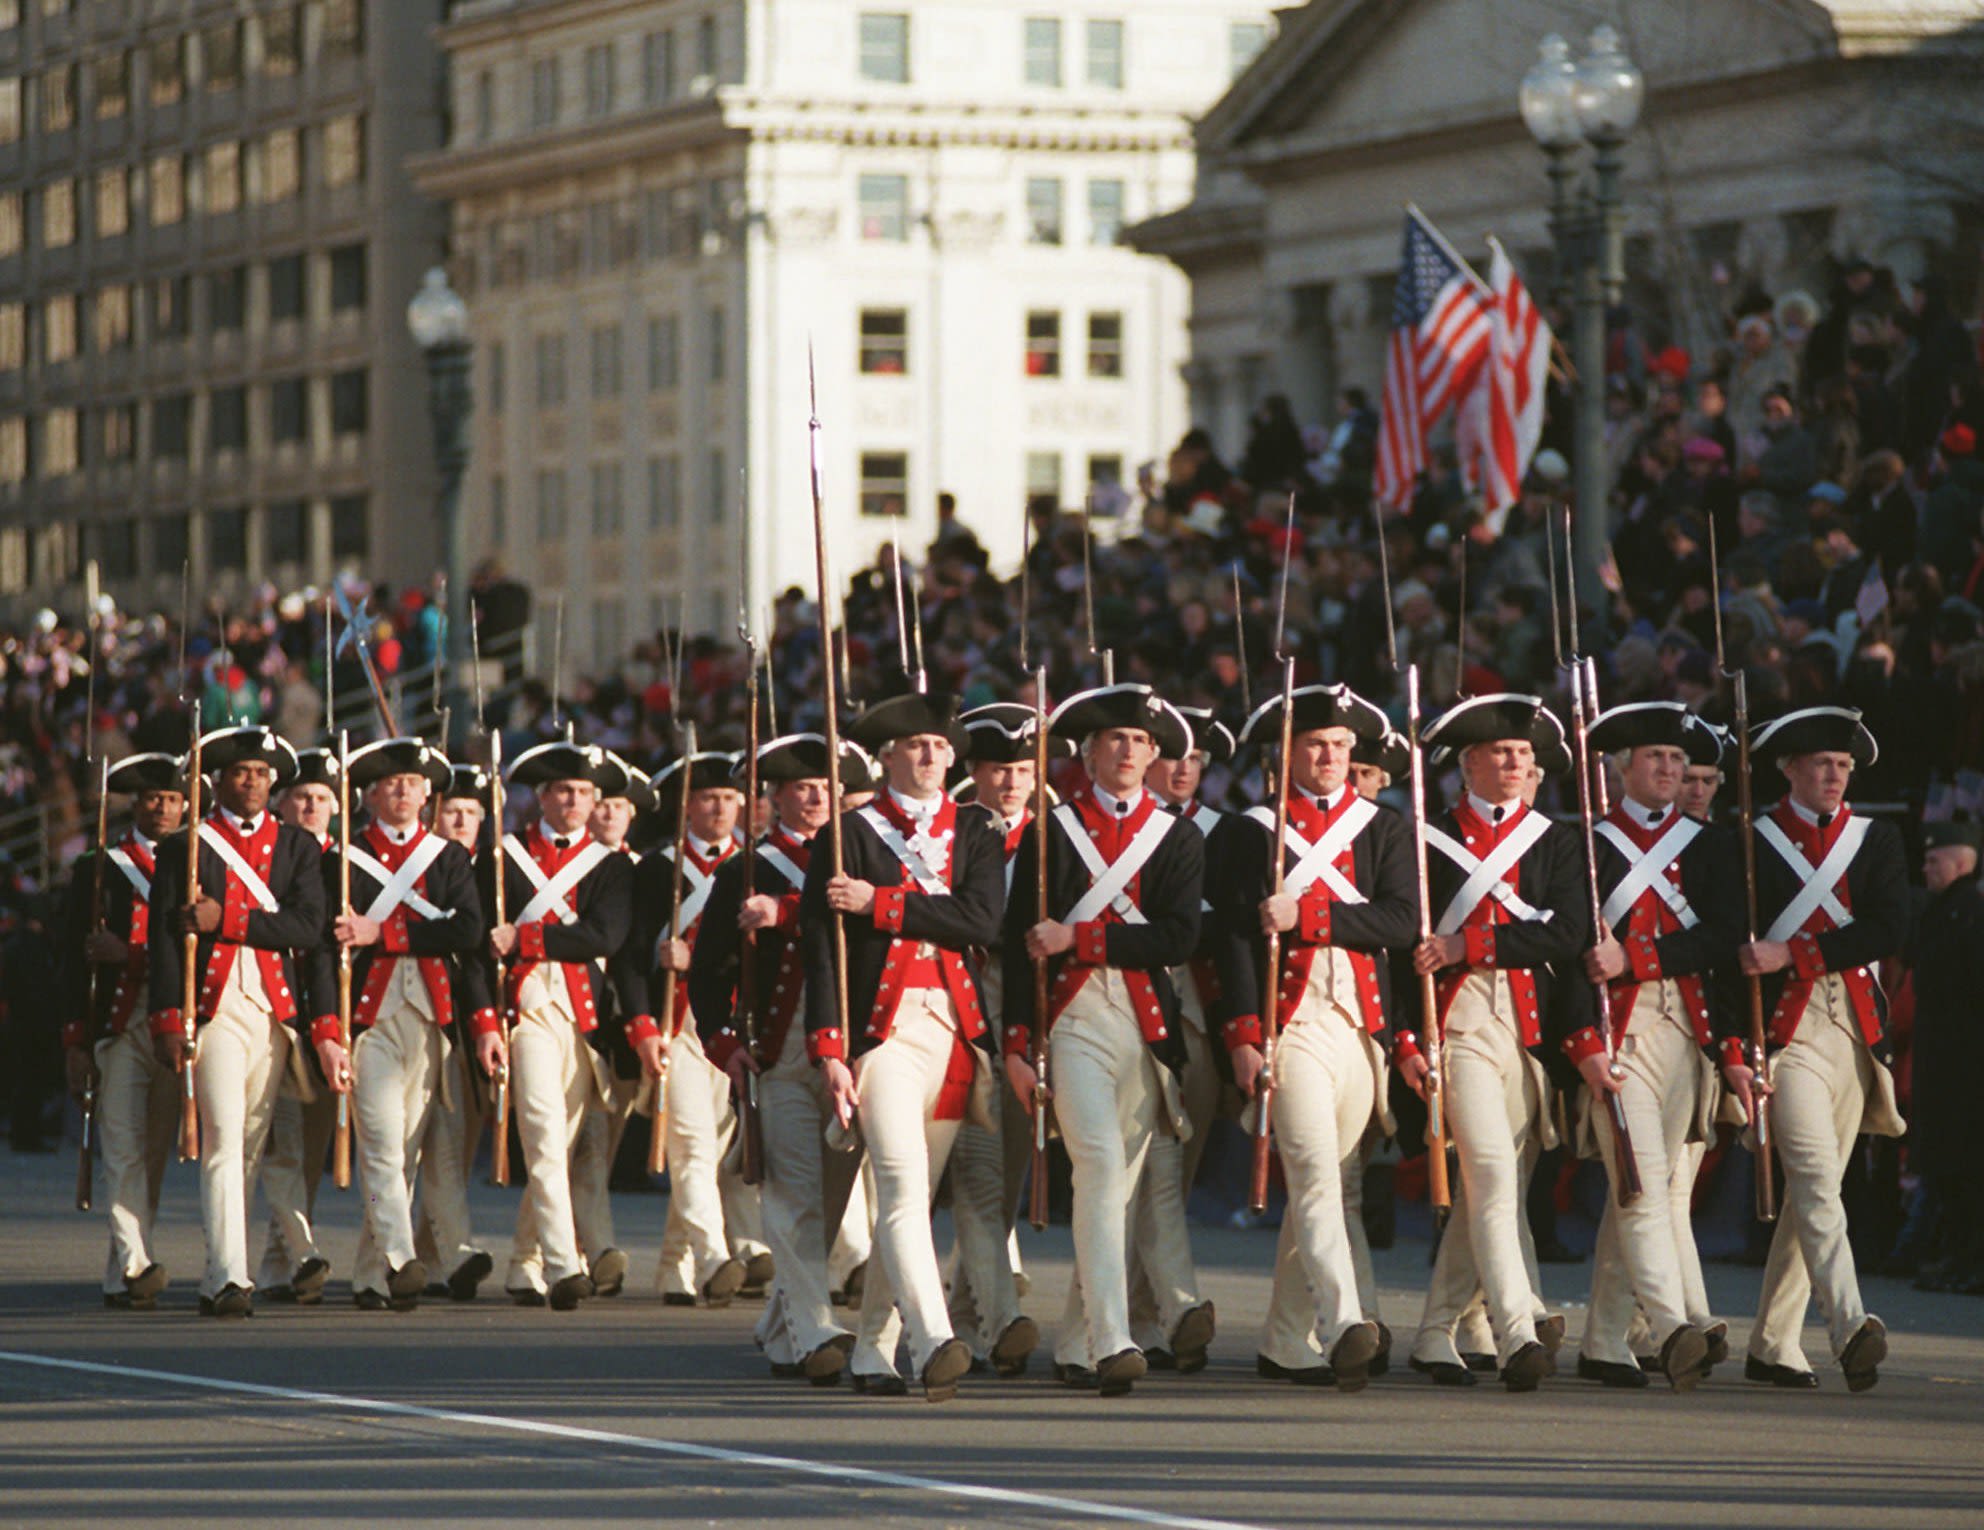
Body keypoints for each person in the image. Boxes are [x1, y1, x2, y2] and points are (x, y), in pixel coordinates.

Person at [1002, 683, 1206, 1398]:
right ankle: (1116, 1336)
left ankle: (1079, 1339)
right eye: (1114, 739)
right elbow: (1014, 943)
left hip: (1145, 1024)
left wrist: (1081, 934)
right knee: (1097, 1162)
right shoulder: (1051, 830)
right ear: (1089, 752)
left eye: (1140, 742)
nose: (1127, 751)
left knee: (1115, 1188)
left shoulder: (1177, 836)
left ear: (1155, 755)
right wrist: (1018, 1045)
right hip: (1070, 1016)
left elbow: (1180, 935)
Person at [1214, 685, 1416, 1391]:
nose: (1328, 756)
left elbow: (1400, 923)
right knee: (1315, 1173)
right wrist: (1244, 1034)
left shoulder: (1384, 828)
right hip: (1287, 1024)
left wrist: (1311, 916)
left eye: (1338, 745)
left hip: (1359, 1025)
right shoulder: (1251, 830)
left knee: (1322, 1180)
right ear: (1289, 753)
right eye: (1314, 745)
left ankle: (1281, 1340)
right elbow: (1234, 941)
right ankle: (1343, 1321)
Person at [803, 690, 1000, 1402]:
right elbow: (822, 946)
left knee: (911, 1198)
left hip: (951, 1029)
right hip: (879, 1032)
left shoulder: (975, 829)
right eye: (915, 745)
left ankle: (871, 1350)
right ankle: (935, 1337)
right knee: (899, 1184)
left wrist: (881, 904)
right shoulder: (849, 833)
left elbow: (981, 917)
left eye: (941, 746)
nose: (930, 756)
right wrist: (829, 1046)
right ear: (886, 756)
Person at [1400, 695, 1587, 1391]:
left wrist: (1467, 943)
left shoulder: (1557, 841)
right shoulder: (1426, 840)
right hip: (1458, 1023)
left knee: (1493, 1186)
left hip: (1530, 1033)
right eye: (1502, 753)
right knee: (1492, 1175)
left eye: (1525, 756)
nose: (1515, 763)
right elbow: (1401, 951)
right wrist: (1406, 1040)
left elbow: (1567, 934)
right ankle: (1517, 1330)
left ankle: (1433, 1330)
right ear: (1469, 763)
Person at [1727, 707, 1907, 1392]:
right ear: (1790, 770)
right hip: (1785, 1032)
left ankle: (1773, 1343)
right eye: (1821, 765)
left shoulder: (1876, 839)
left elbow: (1889, 927)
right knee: (1814, 1176)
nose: (1833, 776)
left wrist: (1792, 950)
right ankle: (1850, 1324)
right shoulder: (1752, 841)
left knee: (1816, 1190)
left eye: (1842, 766)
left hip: (1853, 1030)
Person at [694, 733, 875, 1383]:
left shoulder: (864, 859)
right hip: (778, 1043)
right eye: (801, 787)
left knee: (832, 1194)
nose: (816, 797)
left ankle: (782, 1322)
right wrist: (724, 1045)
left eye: (827, 786)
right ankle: (816, 1328)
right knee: (793, 1193)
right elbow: (709, 974)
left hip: (854, 1045)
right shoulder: (745, 870)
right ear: (774, 797)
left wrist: (788, 913)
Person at [1572, 703, 1733, 1390]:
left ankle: (1605, 1340)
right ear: (1622, 770)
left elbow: (1720, 940)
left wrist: (1635, 956)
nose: (1669, 770)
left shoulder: (1709, 846)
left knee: (1648, 1186)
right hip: (1619, 1035)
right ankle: (1671, 1328)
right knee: (1638, 1184)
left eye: (1676, 759)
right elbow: (1570, 955)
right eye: (1655, 759)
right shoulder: (1587, 844)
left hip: (1684, 1033)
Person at [146, 725, 325, 1317]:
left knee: (249, 1143)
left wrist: (230, 919)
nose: (253, 781)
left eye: (261, 773)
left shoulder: (298, 846)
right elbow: (166, 942)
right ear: (219, 781)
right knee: (223, 1138)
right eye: (241, 772)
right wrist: (170, 1016)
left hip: (272, 1008)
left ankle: (225, 1265)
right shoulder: (186, 846)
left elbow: (307, 926)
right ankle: (228, 1275)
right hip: (213, 1004)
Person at [307, 738, 483, 1311]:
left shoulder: (449, 858)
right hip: (368, 1016)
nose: (403, 790)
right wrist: (329, 1030)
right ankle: (404, 1260)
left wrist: (385, 934)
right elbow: (321, 948)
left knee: (406, 1147)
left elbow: (467, 932)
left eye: (412, 782)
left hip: (431, 1014)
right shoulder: (342, 859)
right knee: (382, 1140)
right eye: (391, 783)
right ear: (370, 795)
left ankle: (372, 1274)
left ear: (427, 792)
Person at [479, 740, 640, 1310]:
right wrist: (485, 1023)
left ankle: (523, 1262)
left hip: (584, 1015)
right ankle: (562, 1261)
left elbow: (604, 937)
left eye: (584, 793)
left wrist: (526, 938)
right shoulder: (503, 857)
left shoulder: (613, 866)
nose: (574, 801)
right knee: (544, 1134)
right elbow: (479, 949)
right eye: (563, 792)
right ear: (542, 798)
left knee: (561, 1142)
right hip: (525, 1009)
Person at [941, 701, 1064, 1377]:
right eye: (997, 769)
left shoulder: (1056, 840)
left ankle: (968, 1318)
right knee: (979, 1175)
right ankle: (1005, 1316)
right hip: (965, 1011)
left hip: (1033, 1018)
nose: (1011, 783)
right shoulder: (952, 834)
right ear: (975, 773)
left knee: (1009, 1174)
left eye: (1021, 769)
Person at [639, 748, 769, 1305]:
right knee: (690, 1142)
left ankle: (675, 1266)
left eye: (729, 798)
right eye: (707, 798)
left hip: (737, 1019)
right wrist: (656, 958)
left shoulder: (756, 864)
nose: (719, 808)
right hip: (678, 1020)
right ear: (687, 806)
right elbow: (626, 953)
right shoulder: (657, 867)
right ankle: (716, 1254)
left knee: (716, 1147)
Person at [60, 752, 186, 1309]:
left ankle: (124, 1269)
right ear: (136, 804)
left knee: (153, 1149)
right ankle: (137, 1259)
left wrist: (130, 955)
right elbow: (70, 959)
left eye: (174, 799)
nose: (163, 807)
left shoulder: (197, 862)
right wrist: (74, 1041)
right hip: (115, 1021)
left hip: (169, 1021)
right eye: (154, 798)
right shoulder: (98, 867)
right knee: (121, 1144)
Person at [563, 751, 656, 1300]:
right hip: (570, 1013)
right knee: (574, 1140)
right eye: (603, 804)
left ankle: (575, 1246)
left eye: (619, 805)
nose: (608, 814)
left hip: (619, 1023)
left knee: (602, 1140)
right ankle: (592, 1249)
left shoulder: (640, 870)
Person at [256, 746, 341, 1304]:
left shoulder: (348, 863)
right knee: (283, 1144)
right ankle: (303, 1250)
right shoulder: (267, 857)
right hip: (279, 1011)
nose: (310, 807)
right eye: (301, 798)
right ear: (283, 804)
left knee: (314, 1149)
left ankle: (276, 1260)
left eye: (321, 799)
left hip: (335, 1021)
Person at [412, 762, 498, 1301]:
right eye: (452, 812)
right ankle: (427, 1251)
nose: (461, 821)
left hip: (470, 1020)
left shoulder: (489, 869)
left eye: (471, 814)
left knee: (454, 1144)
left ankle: (433, 1255)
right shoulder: (419, 865)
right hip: (414, 1009)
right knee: (404, 1149)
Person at [1907, 820, 1984, 1294]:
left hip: (1966, 1064)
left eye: (1934, 860)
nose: (1926, 867)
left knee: (1967, 1169)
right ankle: (1957, 1258)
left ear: (1959, 863)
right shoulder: (1943, 912)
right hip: (1945, 1060)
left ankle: (1968, 1261)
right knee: (1949, 1169)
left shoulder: (1970, 914)